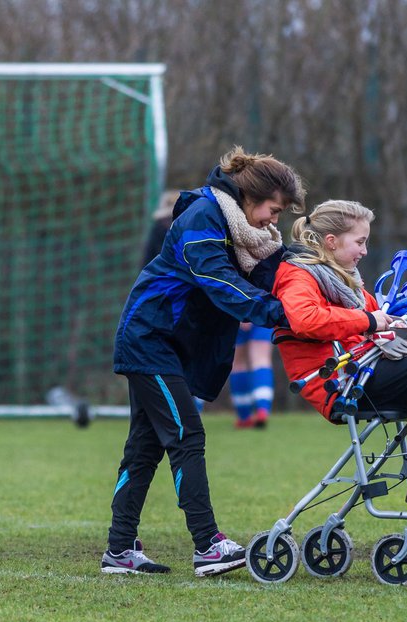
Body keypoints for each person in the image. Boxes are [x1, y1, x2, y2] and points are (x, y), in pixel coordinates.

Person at [102, 147, 307, 577]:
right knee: (185, 435)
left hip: (172, 345)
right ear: (252, 196)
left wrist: (322, 279)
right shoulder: (204, 217)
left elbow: (274, 268)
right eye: (274, 209)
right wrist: (278, 313)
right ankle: (208, 544)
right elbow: (217, 278)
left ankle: (119, 551)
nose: (275, 220)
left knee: (144, 449)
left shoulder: (246, 230)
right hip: (149, 340)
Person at [271, 200, 407, 518]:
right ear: (331, 241)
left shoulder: (347, 280)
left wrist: (402, 332)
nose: (364, 251)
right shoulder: (298, 275)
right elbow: (306, 319)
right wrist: (371, 322)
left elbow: (379, 330)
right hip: (340, 384)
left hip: (367, 371)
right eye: (359, 242)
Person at [229, 323, 275, 428]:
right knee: (261, 360)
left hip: (235, 312)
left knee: (238, 364)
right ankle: (262, 409)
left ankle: (244, 417)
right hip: (262, 310)